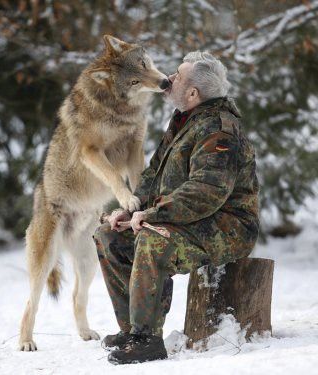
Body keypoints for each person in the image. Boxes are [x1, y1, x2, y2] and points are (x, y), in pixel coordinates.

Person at [93, 51, 259, 365]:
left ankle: (147, 340)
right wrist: (131, 209)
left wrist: (152, 216)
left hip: (228, 226)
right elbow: (153, 174)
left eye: (178, 76)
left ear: (194, 93)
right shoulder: (185, 118)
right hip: (188, 218)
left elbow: (205, 193)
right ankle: (132, 330)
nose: (169, 79)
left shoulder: (219, 131)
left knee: (155, 239)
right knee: (108, 235)